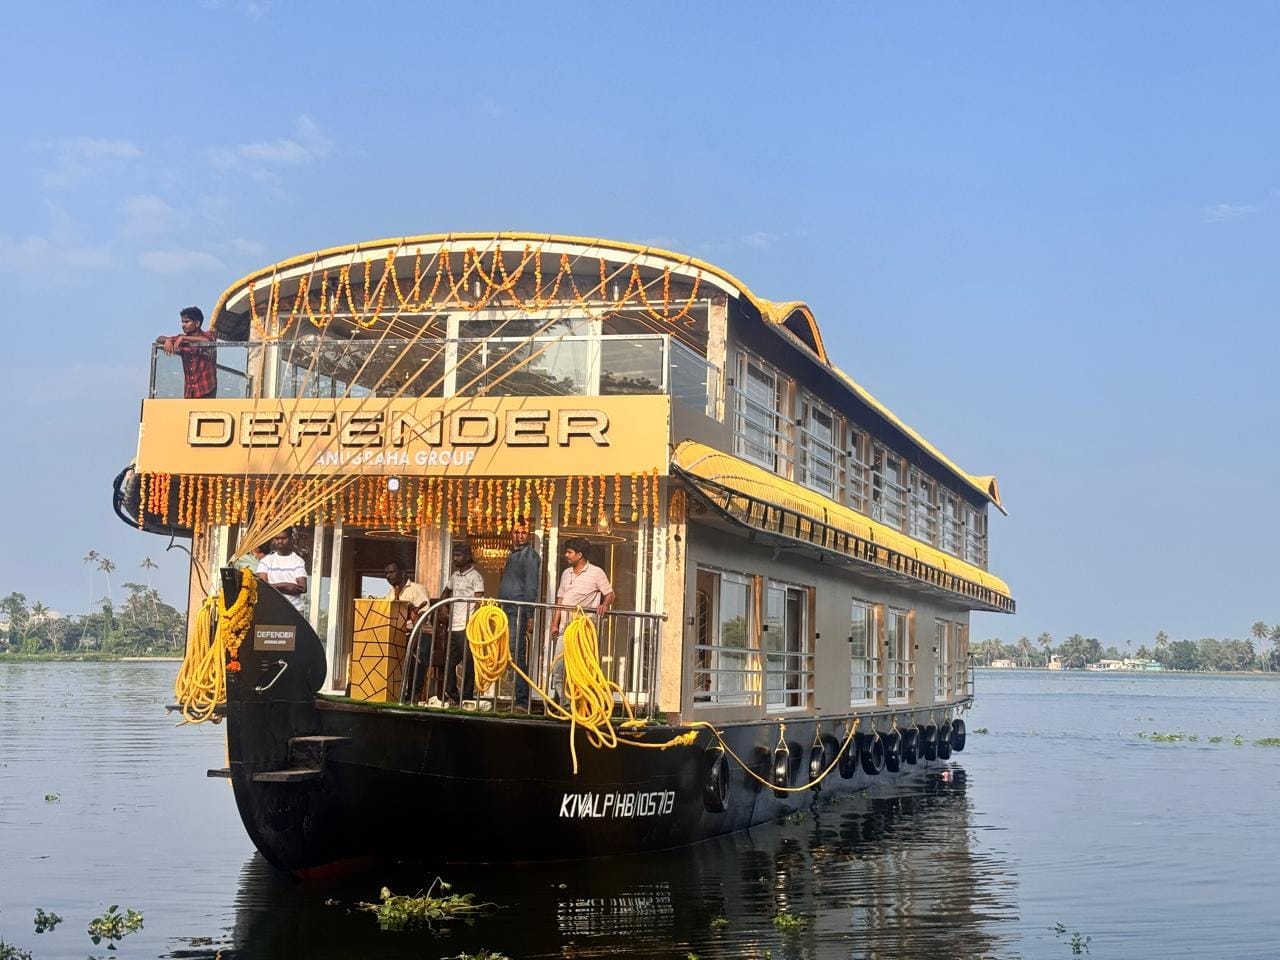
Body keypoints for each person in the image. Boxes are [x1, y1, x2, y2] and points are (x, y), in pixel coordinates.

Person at [548, 537, 614, 702]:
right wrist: (554, 624)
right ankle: (565, 704)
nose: (566, 555)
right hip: (565, 628)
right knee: (558, 668)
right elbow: (560, 600)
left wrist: (604, 605)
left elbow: (610, 594)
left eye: (569, 552)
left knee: (581, 668)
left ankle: (581, 704)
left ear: (579, 554)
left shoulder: (596, 572)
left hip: (583, 630)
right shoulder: (566, 573)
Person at [497, 520, 541, 712]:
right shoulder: (513, 554)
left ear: (529, 534)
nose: (520, 535)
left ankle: (522, 702)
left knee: (517, 655)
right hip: (507, 608)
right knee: (508, 653)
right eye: (516, 532)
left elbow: (531, 586)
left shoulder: (529, 556)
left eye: (524, 532)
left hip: (518, 610)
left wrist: (529, 614)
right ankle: (515, 699)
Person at [441, 542, 485, 706]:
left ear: (467, 557)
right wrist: (444, 606)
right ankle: (452, 694)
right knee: (449, 661)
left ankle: (467, 697)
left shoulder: (476, 576)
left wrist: (474, 622)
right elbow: (445, 592)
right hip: (453, 625)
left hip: (467, 625)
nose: (455, 558)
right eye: (454, 555)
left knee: (468, 663)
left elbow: (479, 599)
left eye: (458, 555)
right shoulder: (454, 576)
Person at [155, 306, 217, 399]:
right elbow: (159, 339)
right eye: (182, 322)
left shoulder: (208, 335)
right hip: (190, 392)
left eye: (187, 322)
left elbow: (207, 341)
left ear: (197, 323)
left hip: (206, 389)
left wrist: (184, 338)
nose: (183, 325)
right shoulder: (181, 339)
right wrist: (167, 340)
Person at [256, 529, 308, 616]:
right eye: (277, 538)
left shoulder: (297, 561)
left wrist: (272, 587)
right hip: (271, 610)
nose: (280, 541)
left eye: (284, 538)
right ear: (273, 540)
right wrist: (286, 586)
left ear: (291, 539)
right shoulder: (266, 561)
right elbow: (262, 587)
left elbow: (303, 588)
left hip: (294, 610)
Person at [384, 560, 431, 629]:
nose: (388, 576)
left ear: (403, 573)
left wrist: (413, 614)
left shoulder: (417, 589)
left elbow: (425, 616)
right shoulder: (390, 593)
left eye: (391, 572)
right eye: (386, 573)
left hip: (419, 634)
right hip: (397, 633)